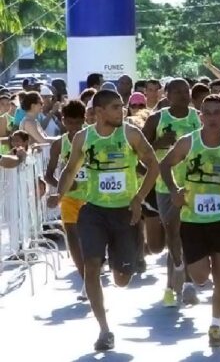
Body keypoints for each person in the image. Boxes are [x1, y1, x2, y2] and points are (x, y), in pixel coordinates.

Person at [54, 90, 159, 351]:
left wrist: (138, 198)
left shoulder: (130, 134)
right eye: (115, 107)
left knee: (122, 279)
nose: (121, 111)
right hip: (94, 211)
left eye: (122, 107)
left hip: (124, 212)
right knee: (91, 267)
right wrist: (58, 196)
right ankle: (104, 330)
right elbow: (70, 169)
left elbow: (154, 165)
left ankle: (123, 260)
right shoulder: (83, 137)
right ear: (98, 112)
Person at [160, 94, 220, 347]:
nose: (212, 118)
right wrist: (174, 190)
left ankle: (215, 326)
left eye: (217, 113)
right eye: (207, 113)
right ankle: (188, 271)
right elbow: (165, 165)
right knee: (201, 277)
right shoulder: (187, 143)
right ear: (200, 116)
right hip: (193, 219)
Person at [142, 79, 202, 307]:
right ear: (166, 94)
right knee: (172, 235)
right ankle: (176, 274)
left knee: (184, 233)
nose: (182, 94)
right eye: (176, 91)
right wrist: (158, 144)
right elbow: (139, 148)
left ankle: (183, 284)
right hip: (164, 184)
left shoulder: (198, 117)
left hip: (194, 183)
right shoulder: (157, 118)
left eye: (185, 90)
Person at [44, 99, 88, 300]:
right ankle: (85, 280)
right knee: (72, 236)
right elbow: (49, 175)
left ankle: (93, 270)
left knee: (90, 238)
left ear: (84, 120)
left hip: (93, 196)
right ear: (63, 121)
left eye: (78, 122)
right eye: (70, 122)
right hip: (70, 197)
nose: (74, 127)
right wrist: (63, 186)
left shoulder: (92, 138)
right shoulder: (59, 144)